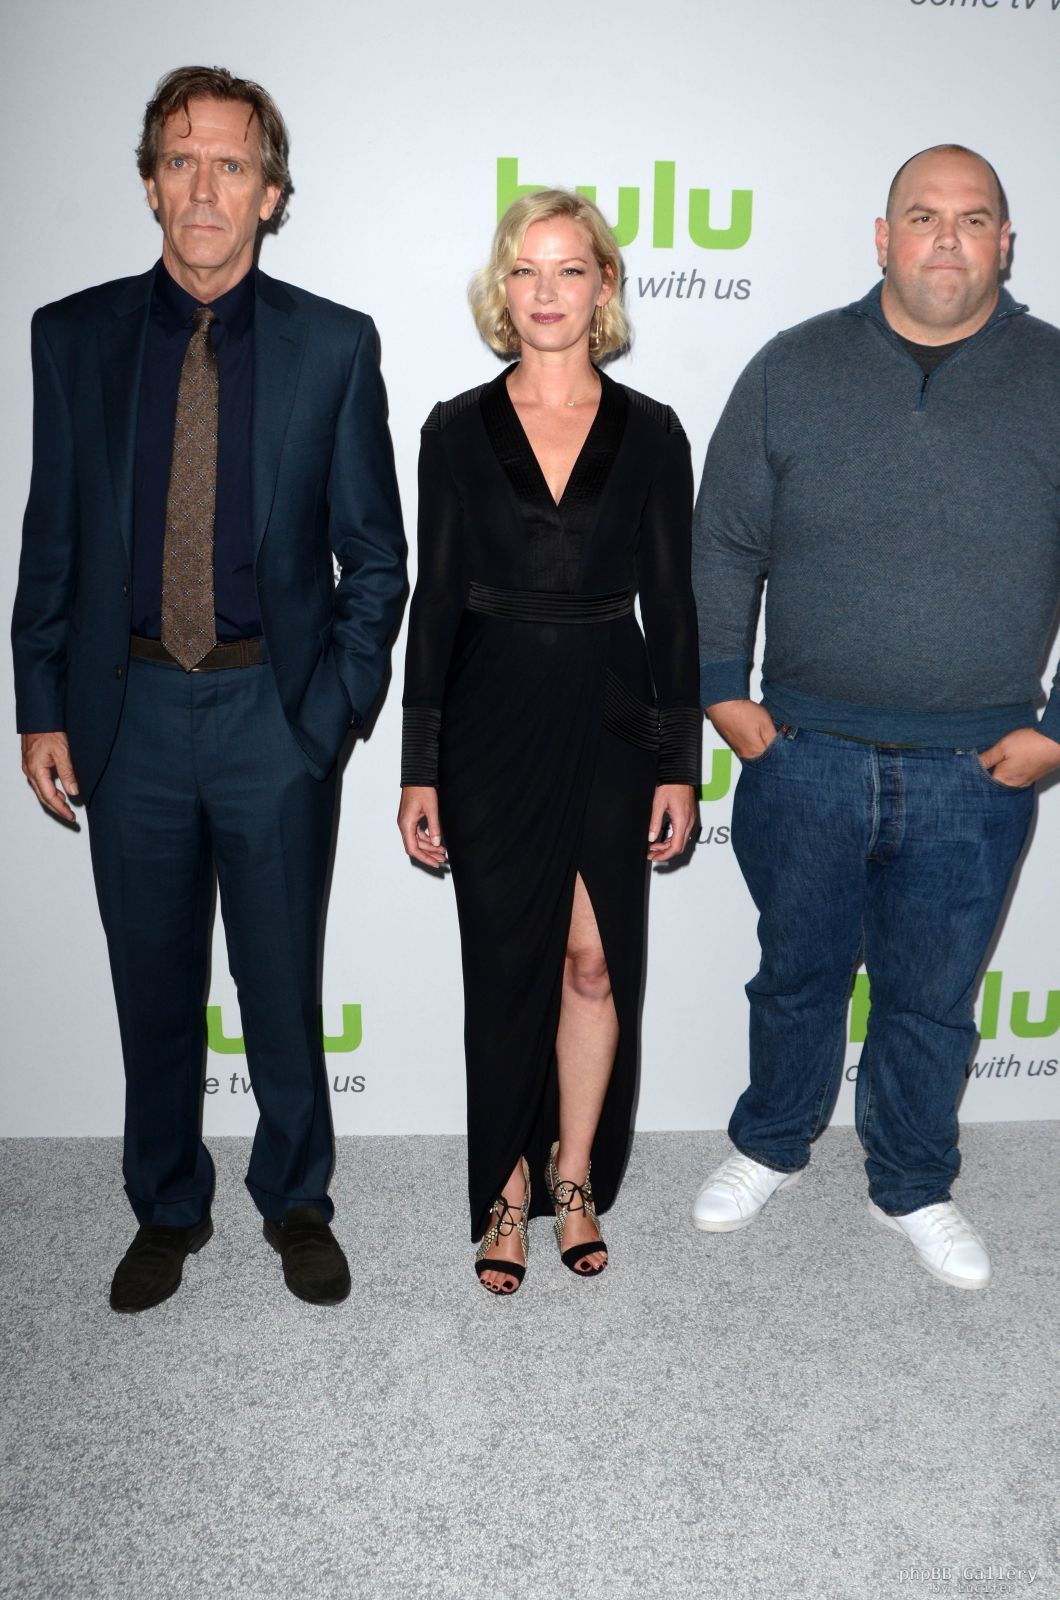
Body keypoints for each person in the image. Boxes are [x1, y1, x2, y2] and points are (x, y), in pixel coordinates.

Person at [11, 67, 406, 1312]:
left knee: (280, 984)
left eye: (230, 164)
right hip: (123, 712)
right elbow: (51, 534)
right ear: (148, 184)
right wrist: (39, 703)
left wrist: (325, 718)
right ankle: (167, 1204)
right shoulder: (70, 337)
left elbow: (375, 559)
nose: (203, 187)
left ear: (268, 194)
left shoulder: (334, 345)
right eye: (180, 161)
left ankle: (296, 1197)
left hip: (267, 717)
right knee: (152, 985)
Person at [690, 144, 1060, 1289]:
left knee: (930, 997)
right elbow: (724, 537)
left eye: (972, 218)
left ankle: (911, 1180)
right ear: (882, 236)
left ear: (1004, 242)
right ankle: (771, 1141)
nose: (946, 237)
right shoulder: (791, 365)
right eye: (923, 215)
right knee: (794, 973)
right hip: (805, 753)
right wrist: (721, 687)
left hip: (976, 768)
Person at [398, 190, 700, 1294]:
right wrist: (418, 763)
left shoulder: (654, 431)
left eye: (569, 269)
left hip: (614, 718)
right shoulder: (453, 429)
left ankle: (573, 1176)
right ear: (501, 286)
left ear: (603, 285)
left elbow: (673, 609)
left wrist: (678, 761)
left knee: (591, 960)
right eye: (525, 270)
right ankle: (504, 1187)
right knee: (505, 967)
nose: (546, 291)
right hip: (488, 722)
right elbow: (434, 601)